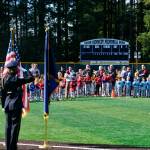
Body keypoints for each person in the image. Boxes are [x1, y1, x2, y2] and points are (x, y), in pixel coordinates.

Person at [1, 60, 34, 150]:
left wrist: (3, 105)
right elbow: (31, 78)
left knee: (8, 126)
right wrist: (26, 70)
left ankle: (8, 147)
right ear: (15, 69)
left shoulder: (3, 79)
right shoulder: (16, 79)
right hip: (15, 105)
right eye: (16, 68)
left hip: (7, 104)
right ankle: (12, 147)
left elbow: (2, 93)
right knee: (15, 127)